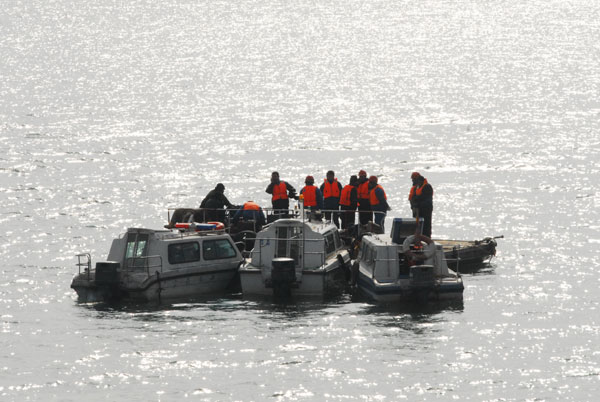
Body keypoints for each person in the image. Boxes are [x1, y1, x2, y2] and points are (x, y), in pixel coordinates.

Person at [408, 172, 434, 237]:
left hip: (426, 210)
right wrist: (413, 206)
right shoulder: (415, 188)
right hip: (417, 210)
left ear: (418, 179)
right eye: (412, 180)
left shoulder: (427, 187)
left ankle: (427, 239)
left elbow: (426, 199)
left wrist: (417, 203)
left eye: (414, 180)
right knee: (416, 226)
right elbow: (412, 198)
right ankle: (417, 238)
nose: (413, 181)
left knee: (426, 226)